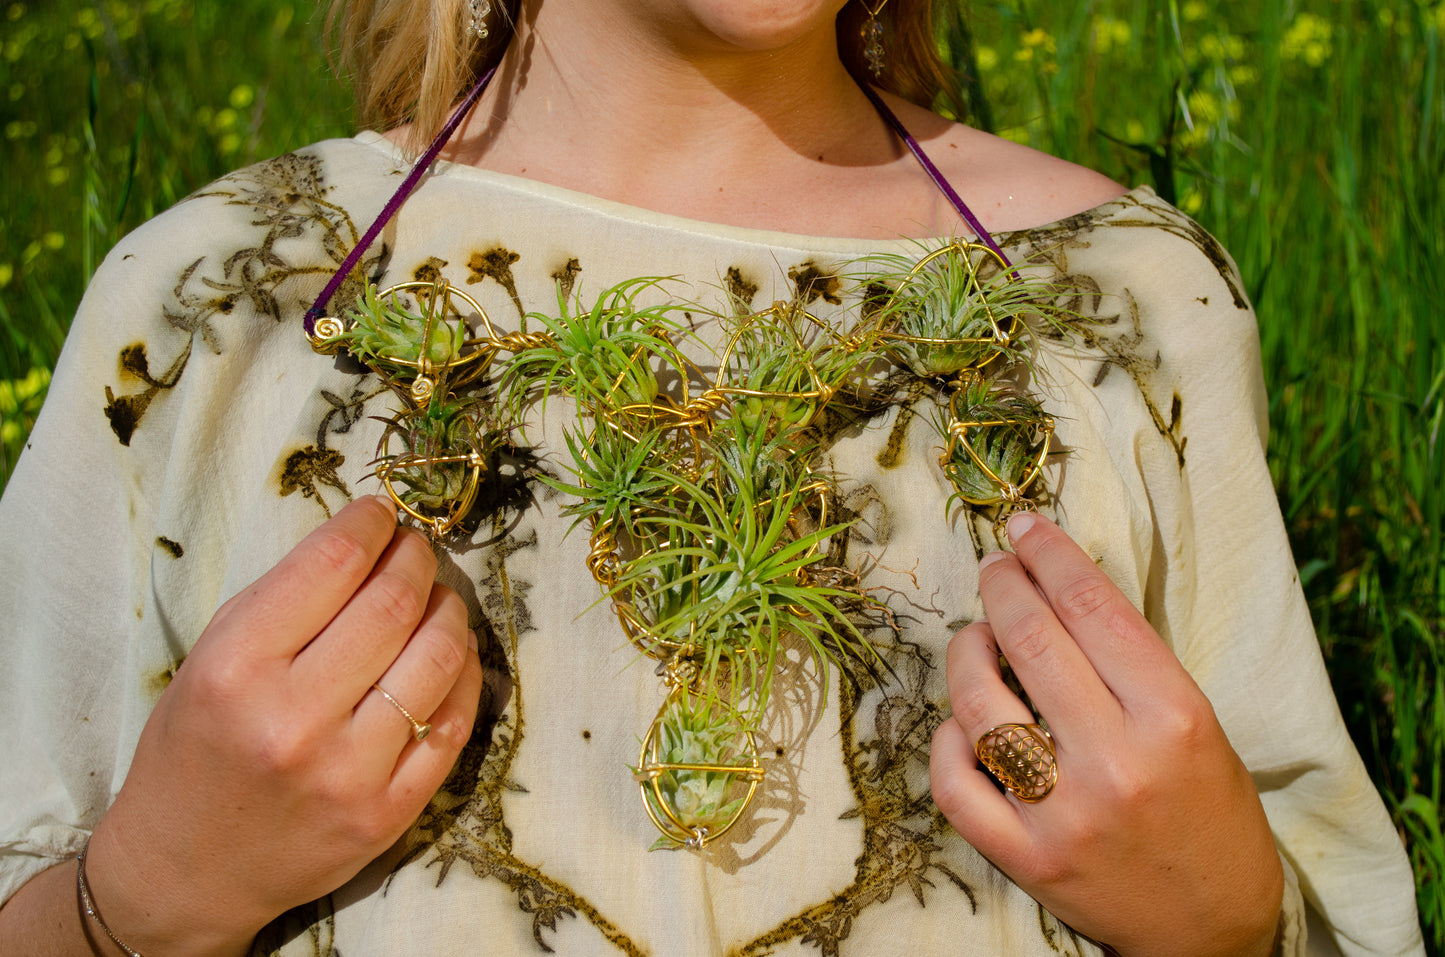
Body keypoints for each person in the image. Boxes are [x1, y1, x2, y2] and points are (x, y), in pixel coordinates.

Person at [0, 1, 1424, 955]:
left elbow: (1327, 900)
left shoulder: (1120, 308)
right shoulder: (222, 305)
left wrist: (1224, 924)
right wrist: (140, 900)